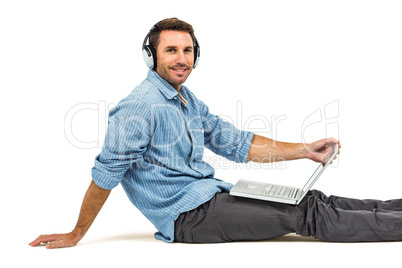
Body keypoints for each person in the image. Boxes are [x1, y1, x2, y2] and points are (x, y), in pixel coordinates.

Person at [30, 18, 402, 249]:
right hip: (188, 218)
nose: (182, 59)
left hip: (211, 196)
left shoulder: (185, 99)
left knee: (310, 197)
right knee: (306, 214)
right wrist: (76, 233)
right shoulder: (139, 106)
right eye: (171, 50)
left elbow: (237, 143)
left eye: (188, 50)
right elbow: (105, 175)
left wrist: (304, 150)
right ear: (151, 56)